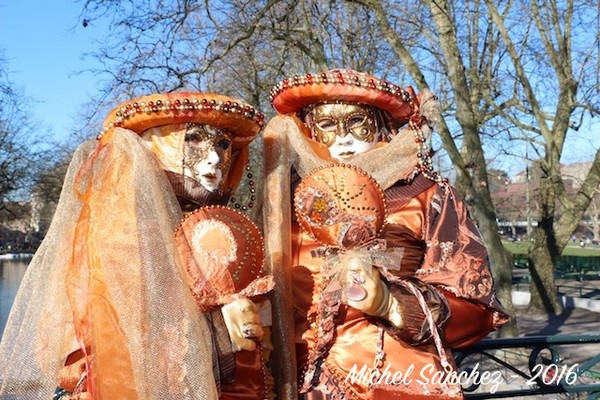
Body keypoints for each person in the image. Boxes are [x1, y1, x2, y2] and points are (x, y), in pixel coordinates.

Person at [0, 92, 273, 400]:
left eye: (222, 144)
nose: (213, 157)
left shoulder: (227, 229)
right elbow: (111, 337)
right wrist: (216, 327)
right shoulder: (116, 235)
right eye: (194, 140)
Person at [263, 69, 508, 399]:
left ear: (379, 123)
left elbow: (475, 308)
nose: (343, 138)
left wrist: (392, 305)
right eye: (327, 125)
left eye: (356, 121)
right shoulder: (284, 204)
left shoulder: (425, 196)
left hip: (393, 384)